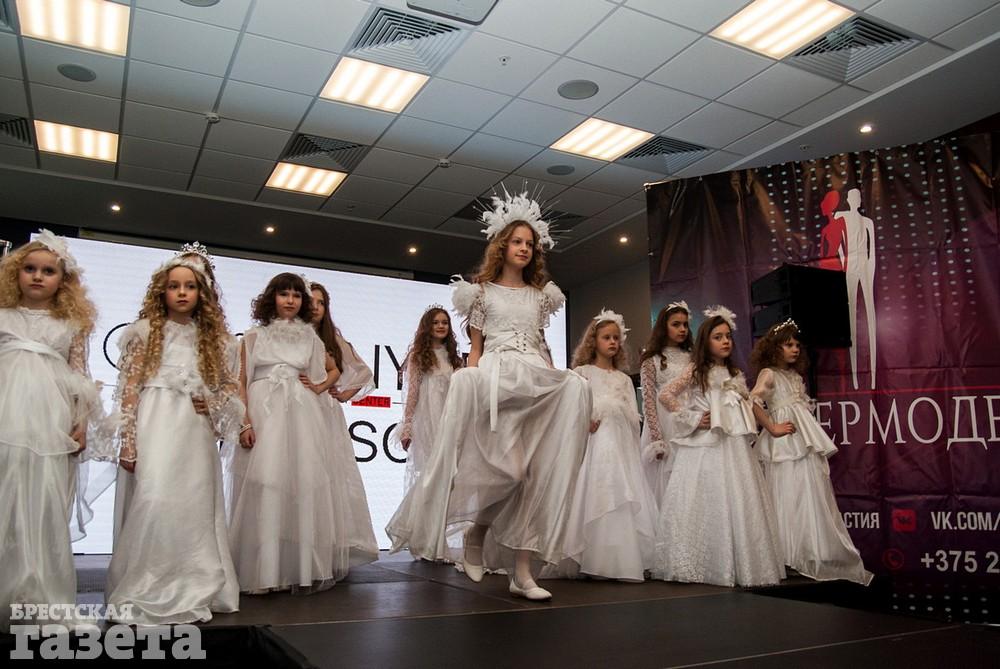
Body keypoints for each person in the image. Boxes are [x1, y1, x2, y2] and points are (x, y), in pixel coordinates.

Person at [387, 190, 591, 601]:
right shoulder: (481, 294)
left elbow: (542, 344)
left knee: (536, 477)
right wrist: (475, 384)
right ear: (502, 245)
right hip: (499, 383)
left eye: (529, 244)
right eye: (517, 242)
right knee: (511, 474)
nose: (524, 249)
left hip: (535, 380)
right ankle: (477, 533)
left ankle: (523, 573)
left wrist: (557, 381)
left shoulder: (541, 296)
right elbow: (476, 349)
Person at [105, 248, 243, 624]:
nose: (182, 293)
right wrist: (127, 440)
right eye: (174, 286)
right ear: (161, 291)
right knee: (153, 497)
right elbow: (129, 388)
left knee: (192, 503)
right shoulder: (145, 332)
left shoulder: (215, 340)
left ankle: (192, 582)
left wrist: (211, 403)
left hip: (193, 430)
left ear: (202, 293)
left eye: (190, 286)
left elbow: (229, 387)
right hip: (154, 421)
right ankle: (146, 583)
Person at [0, 231, 104, 631]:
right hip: (7, 415)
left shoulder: (71, 323)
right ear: (15, 272)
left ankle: (41, 596)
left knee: (43, 499)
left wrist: (81, 423)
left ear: (64, 280)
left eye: (48, 271)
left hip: (49, 418)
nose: (38, 277)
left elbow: (80, 374)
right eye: (30, 269)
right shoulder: (3, 315)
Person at [652, 307, 785, 587]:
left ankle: (738, 561)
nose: (725, 341)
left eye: (727, 336)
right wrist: (692, 417)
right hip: (707, 444)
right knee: (707, 497)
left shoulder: (734, 373)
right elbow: (666, 394)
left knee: (738, 496)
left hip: (734, 445)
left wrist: (771, 427)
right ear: (706, 341)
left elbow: (748, 402)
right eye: (718, 337)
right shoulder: (697, 370)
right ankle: (705, 563)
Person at [749, 319, 872, 585]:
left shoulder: (795, 376)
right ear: (774, 347)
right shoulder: (769, 373)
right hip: (785, 443)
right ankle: (785, 554)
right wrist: (772, 427)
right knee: (786, 492)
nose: (795, 349)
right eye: (788, 344)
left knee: (807, 492)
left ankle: (807, 551)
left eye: (796, 345)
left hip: (802, 441)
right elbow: (753, 400)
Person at [397, 305, 462, 492]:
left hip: (449, 417)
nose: (441, 326)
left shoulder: (454, 358)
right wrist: (407, 427)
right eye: (435, 323)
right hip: (427, 419)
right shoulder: (417, 357)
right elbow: (412, 392)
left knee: (449, 472)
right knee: (429, 472)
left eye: (445, 322)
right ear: (427, 326)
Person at [638, 301, 693, 507]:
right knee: (668, 475)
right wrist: (656, 437)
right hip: (664, 420)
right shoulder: (651, 359)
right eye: (676, 324)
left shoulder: (692, 357)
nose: (682, 329)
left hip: (689, 415)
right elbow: (648, 399)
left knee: (690, 472)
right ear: (664, 327)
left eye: (685, 325)